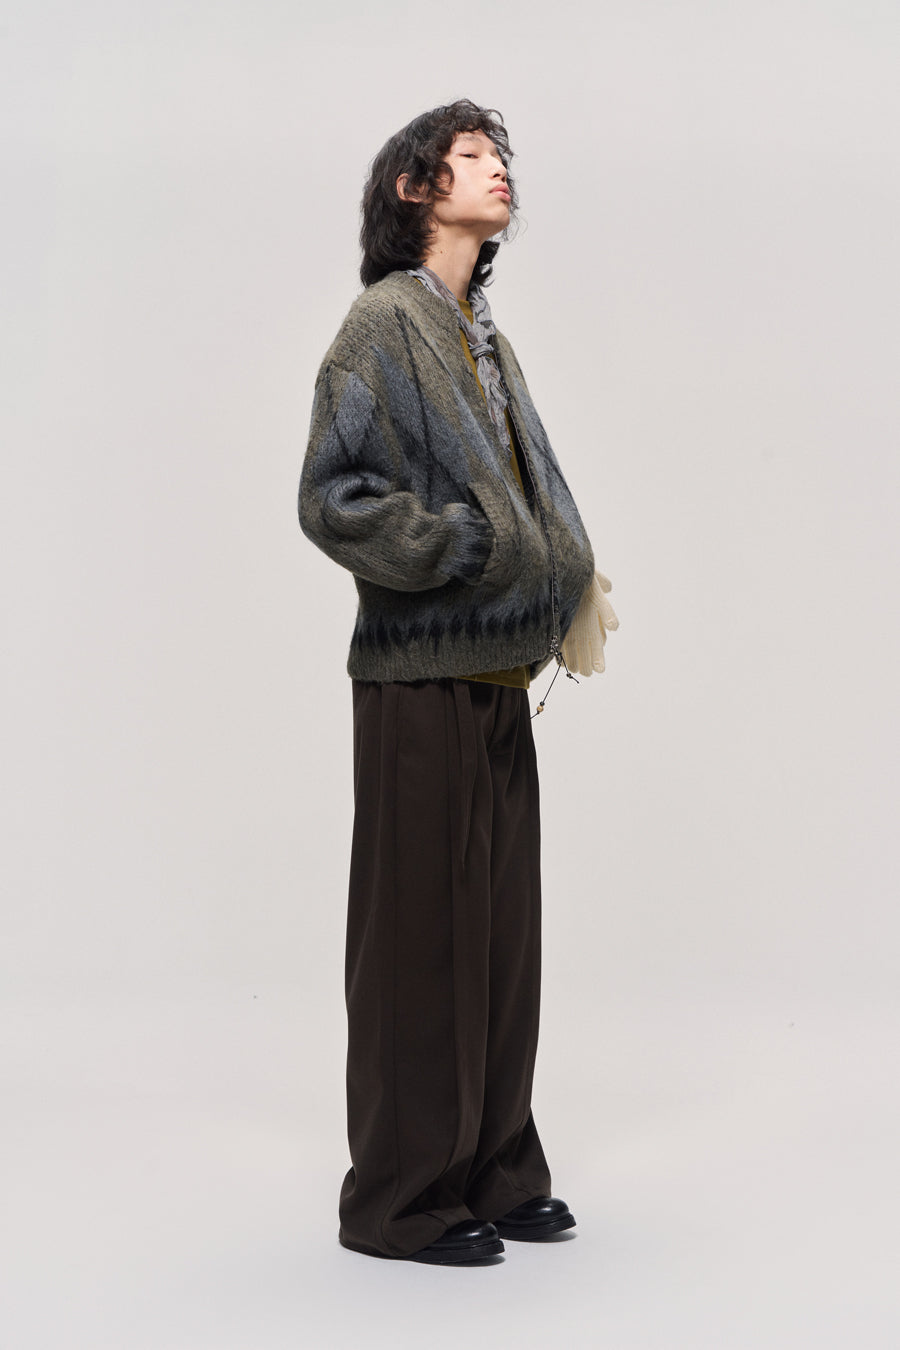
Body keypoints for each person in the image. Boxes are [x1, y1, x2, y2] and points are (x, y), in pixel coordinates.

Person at [298, 98, 616, 1265]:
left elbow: (530, 486)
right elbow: (333, 496)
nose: (498, 171)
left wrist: (566, 575)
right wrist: (465, 549)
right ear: (414, 188)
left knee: (500, 939)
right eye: (473, 156)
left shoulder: (485, 337)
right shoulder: (382, 325)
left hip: (495, 673)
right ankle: (400, 1198)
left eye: (501, 157)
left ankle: (493, 1165)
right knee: (421, 941)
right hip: (419, 682)